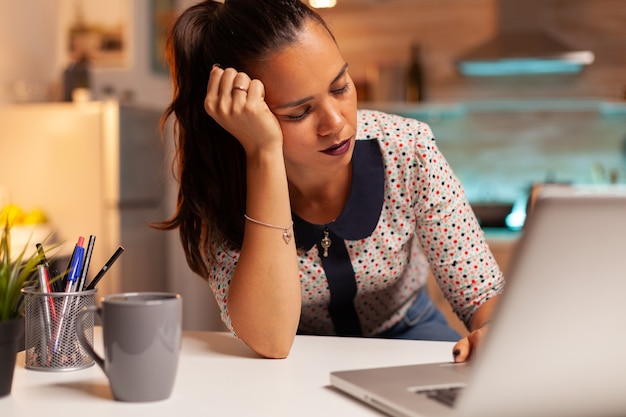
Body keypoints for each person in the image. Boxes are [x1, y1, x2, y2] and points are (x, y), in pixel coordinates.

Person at [158, 0, 504, 361]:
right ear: (245, 114)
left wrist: (493, 332)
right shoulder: (225, 183)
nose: (336, 124)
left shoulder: (407, 148)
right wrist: (264, 154)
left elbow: (481, 293)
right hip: (298, 352)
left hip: (410, 332)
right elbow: (271, 339)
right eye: (300, 112)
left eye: (340, 88)